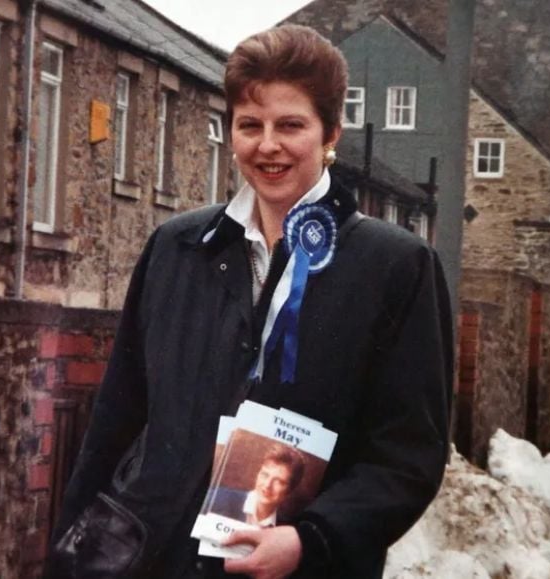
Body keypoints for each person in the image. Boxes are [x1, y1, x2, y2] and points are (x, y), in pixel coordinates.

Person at [45, 23, 453, 579]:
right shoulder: (176, 247)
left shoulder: (397, 267)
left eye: (291, 125)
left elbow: (408, 458)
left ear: (331, 133)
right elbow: (115, 419)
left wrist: (311, 539)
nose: (267, 145)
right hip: (150, 561)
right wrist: (67, 555)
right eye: (249, 125)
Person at [209, 445, 306, 527]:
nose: (267, 485)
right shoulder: (217, 498)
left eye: (278, 481)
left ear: (289, 491)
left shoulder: (286, 529)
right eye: (265, 475)